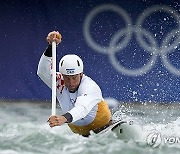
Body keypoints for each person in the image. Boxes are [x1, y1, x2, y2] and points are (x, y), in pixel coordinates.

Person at [37, 31, 112, 137]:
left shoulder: (90, 87)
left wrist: (63, 118)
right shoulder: (60, 82)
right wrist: (51, 46)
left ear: (81, 74)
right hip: (79, 131)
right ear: (62, 75)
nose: (71, 82)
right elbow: (43, 72)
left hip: (102, 125)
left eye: (74, 77)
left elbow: (82, 109)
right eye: (67, 78)